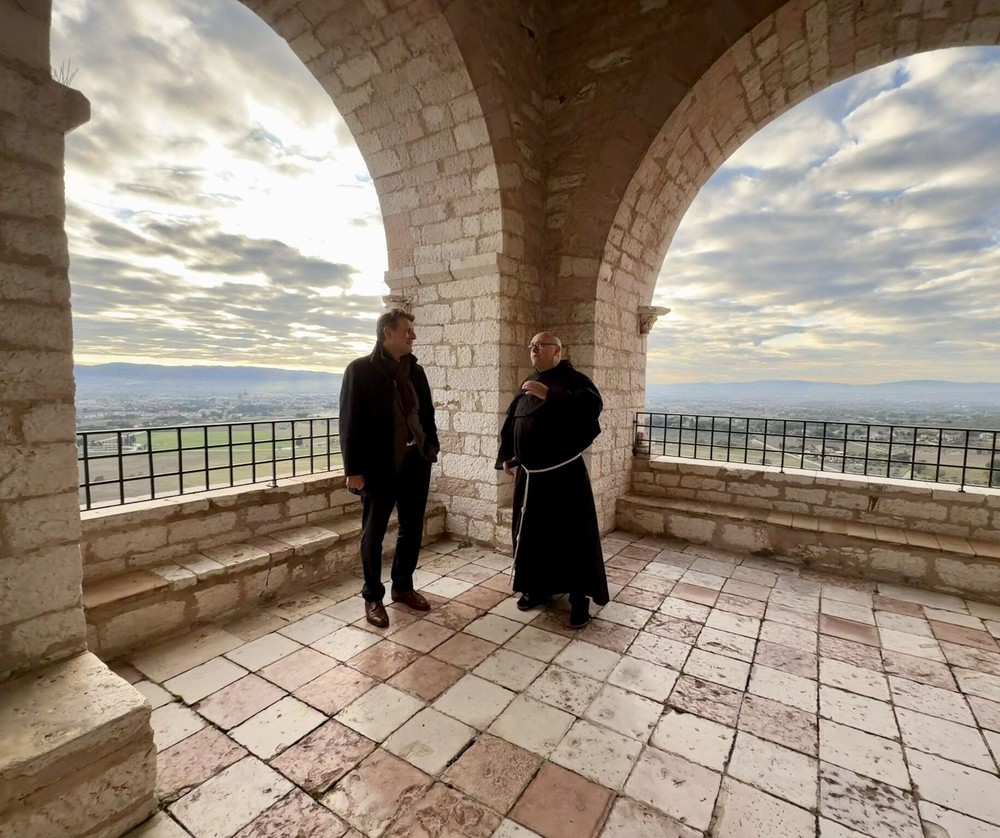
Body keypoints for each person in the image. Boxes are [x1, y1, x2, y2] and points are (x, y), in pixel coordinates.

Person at [495, 331, 610, 627]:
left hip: (563, 477)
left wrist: (550, 395)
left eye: (540, 345)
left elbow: (592, 407)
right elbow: (514, 421)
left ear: (557, 351)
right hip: (531, 478)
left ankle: (578, 601)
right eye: (531, 345)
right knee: (533, 536)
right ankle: (537, 589)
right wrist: (509, 454)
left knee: (571, 539)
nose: (534, 349)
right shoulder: (528, 383)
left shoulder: (574, 380)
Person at [339, 308, 440, 627]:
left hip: (415, 463)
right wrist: (353, 469)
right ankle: (372, 597)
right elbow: (349, 422)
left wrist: (431, 446)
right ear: (388, 333)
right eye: (408, 330)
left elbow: (427, 413)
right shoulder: (360, 370)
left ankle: (403, 587)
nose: (413, 336)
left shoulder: (415, 371)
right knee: (373, 534)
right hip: (377, 468)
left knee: (411, 530)